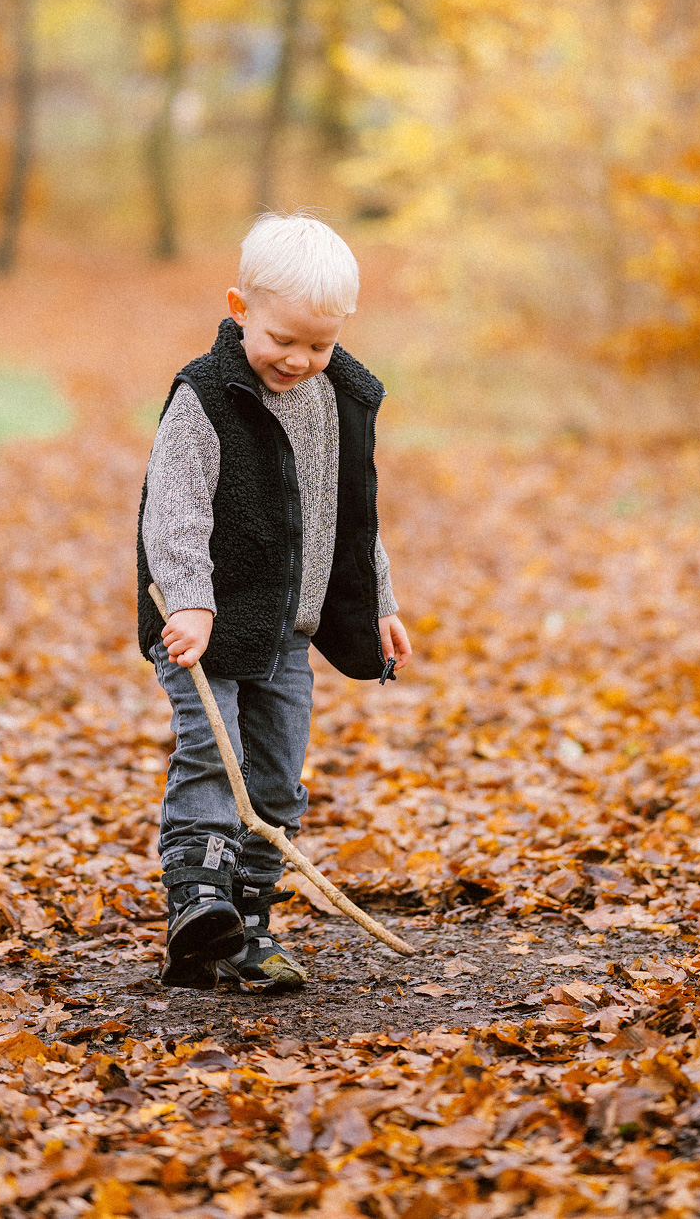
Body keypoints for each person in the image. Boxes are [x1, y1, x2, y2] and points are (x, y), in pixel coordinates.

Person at [137, 213, 411, 992]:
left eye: (318, 346)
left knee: (277, 778)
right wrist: (190, 601)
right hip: (201, 626)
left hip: (288, 631)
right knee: (211, 753)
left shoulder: (332, 400)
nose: (298, 359)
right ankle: (197, 903)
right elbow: (174, 509)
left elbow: (349, 515)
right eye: (281, 339)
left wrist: (377, 601)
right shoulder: (205, 396)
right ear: (239, 309)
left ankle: (248, 922)